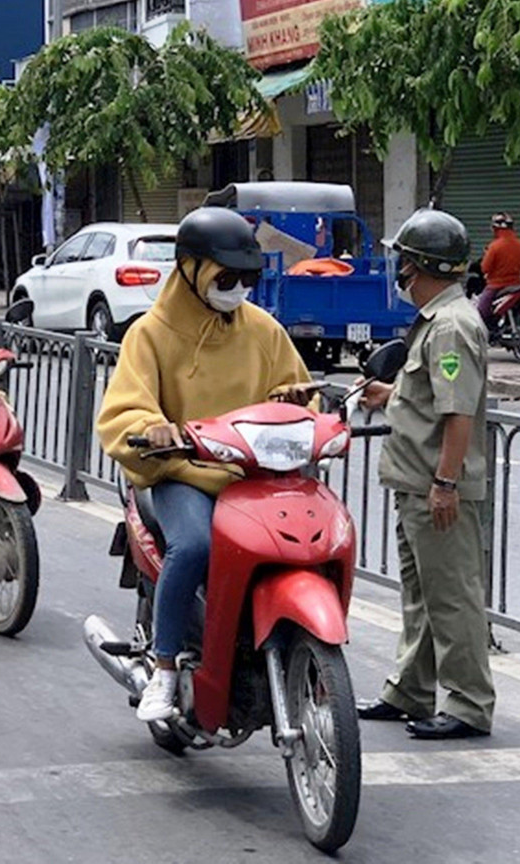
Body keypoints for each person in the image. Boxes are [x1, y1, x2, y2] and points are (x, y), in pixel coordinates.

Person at [96, 207, 317, 723]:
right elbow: (125, 406)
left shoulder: (263, 329)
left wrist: (299, 402)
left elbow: (298, 393)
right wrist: (154, 425)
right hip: (180, 473)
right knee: (193, 544)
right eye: (226, 275)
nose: (237, 287)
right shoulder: (149, 333)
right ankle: (167, 666)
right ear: (190, 269)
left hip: (253, 477)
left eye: (247, 278)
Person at [356, 208, 495, 740]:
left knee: (452, 597)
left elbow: (458, 412)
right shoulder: (436, 321)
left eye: (404, 262)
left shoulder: (453, 325)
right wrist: (391, 395)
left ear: (417, 265)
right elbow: (431, 397)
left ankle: (467, 704)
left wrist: (445, 483)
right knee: (420, 597)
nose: (400, 272)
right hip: (413, 481)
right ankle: (410, 689)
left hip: (434, 486)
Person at [475, 213, 520, 331]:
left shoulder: (494, 246)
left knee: (481, 311)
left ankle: (489, 331)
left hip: (496, 286)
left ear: (495, 228)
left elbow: (485, 268)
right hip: (516, 284)